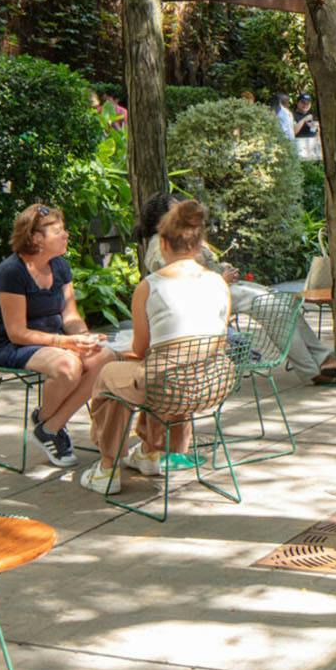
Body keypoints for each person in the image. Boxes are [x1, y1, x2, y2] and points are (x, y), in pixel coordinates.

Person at [81, 200, 232, 492]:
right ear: (200, 246)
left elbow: (140, 347)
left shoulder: (150, 286)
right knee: (158, 371)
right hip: (214, 384)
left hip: (169, 387)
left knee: (110, 376)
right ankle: (150, 451)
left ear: (162, 243)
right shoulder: (219, 283)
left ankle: (108, 468)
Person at [135, 193, 336, 385]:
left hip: (218, 287)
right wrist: (218, 278)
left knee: (284, 302)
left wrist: (222, 269)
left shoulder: (176, 238)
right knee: (272, 307)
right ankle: (312, 370)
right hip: (205, 295)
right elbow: (175, 278)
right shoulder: (158, 245)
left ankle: (323, 358)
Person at [0, 203, 115, 468]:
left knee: (106, 356)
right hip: (10, 346)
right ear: (35, 238)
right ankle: (47, 424)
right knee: (69, 366)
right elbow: (17, 332)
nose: (65, 234)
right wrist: (67, 343)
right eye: (58, 231)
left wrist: (85, 337)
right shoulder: (12, 272)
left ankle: (50, 426)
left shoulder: (60, 266)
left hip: (52, 343)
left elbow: (70, 316)